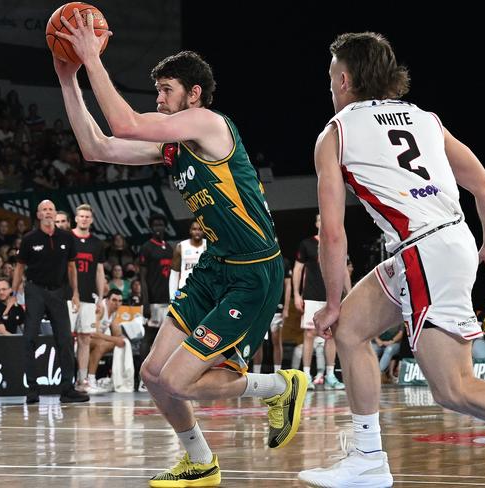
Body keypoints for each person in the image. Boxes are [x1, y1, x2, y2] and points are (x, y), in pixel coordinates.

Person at [53, 14, 307, 486]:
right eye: (158, 91)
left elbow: (124, 122)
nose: (159, 99)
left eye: (166, 90)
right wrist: (68, 78)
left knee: (177, 379)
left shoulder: (209, 123)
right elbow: (96, 146)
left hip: (253, 273)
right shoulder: (172, 147)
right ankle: (200, 461)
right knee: (153, 373)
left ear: (193, 94)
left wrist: (91, 58)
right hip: (214, 268)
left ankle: (280, 386)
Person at [298, 32, 485, 488]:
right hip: (447, 241)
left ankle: (369, 460)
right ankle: (368, 459)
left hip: (424, 249)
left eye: (331, 77)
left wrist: (329, 299)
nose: (330, 87)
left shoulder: (335, 133)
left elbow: (332, 233)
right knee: (350, 329)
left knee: (454, 389)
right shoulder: (425, 119)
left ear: (345, 79)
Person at [7, 199, 88, 404]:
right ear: (38, 215)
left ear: (54, 213)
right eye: (44, 209)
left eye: (51, 209)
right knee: (29, 339)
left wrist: (75, 293)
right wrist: (13, 294)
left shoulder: (67, 237)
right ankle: (33, 390)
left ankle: (67, 389)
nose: (48, 212)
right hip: (35, 290)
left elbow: (71, 267)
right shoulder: (29, 239)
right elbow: (19, 268)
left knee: (65, 340)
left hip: (58, 292)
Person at [293, 214, 351, 390]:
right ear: (316, 223)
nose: (322, 222)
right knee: (310, 334)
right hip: (311, 295)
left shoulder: (337, 242)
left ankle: (331, 375)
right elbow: (298, 269)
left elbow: (344, 271)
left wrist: (349, 294)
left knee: (332, 335)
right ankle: (306, 375)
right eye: (319, 219)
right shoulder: (307, 244)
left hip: (332, 297)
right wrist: (296, 294)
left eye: (324, 219)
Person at [69, 203, 107, 392]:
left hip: (88, 296)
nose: (84, 219)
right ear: (76, 218)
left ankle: (82, 380)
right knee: (66, 338)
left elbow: (100, 271)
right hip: (69, 296)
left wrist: (100, 297)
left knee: (85, 339)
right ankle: (65, 378)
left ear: (91, 220)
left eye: (87, 216)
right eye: (81, 216)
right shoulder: (67, 238)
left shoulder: (97, 243)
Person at [139, 213, 173, 364]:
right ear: (151, 227)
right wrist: (146, 303)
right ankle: (140, 377)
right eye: (155, 225)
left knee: (166, 338)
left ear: (165, 227)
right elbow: (142, 277)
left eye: (161, 224)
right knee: (149, 337)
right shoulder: (146, 247)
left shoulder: (170, 248)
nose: (158, 228)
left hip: (168, 299)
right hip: (153, 301)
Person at [252, 255, 292, 373]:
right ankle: (256, 372)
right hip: (261, 307)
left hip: (277, 307)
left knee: (276, 339)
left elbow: (288, 285)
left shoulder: (284, 261)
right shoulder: (259, 259)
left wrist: (286, 308)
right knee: (258, 342)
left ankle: (277, 372)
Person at [85, 288, 124, 392]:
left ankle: (118, 379)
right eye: (114, 300)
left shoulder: (114, 312)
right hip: (82, 340)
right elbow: (94, 333)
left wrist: (118, 338)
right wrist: (116, 339)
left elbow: (117, 334)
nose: (117, 304)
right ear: (107, 300)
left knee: (119, 343)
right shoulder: (101, 308)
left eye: (120, 301)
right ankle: (90, 379)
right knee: (102, 345)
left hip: (94, 340)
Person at [168, 219, 206, 300]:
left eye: (200, 229)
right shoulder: (181, 247)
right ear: (190, 231)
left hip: (204, 290)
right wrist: (172, 297)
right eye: (194, 229)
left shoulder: (209, 246)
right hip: (184, 290)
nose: (197, 232)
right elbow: (174, 273)